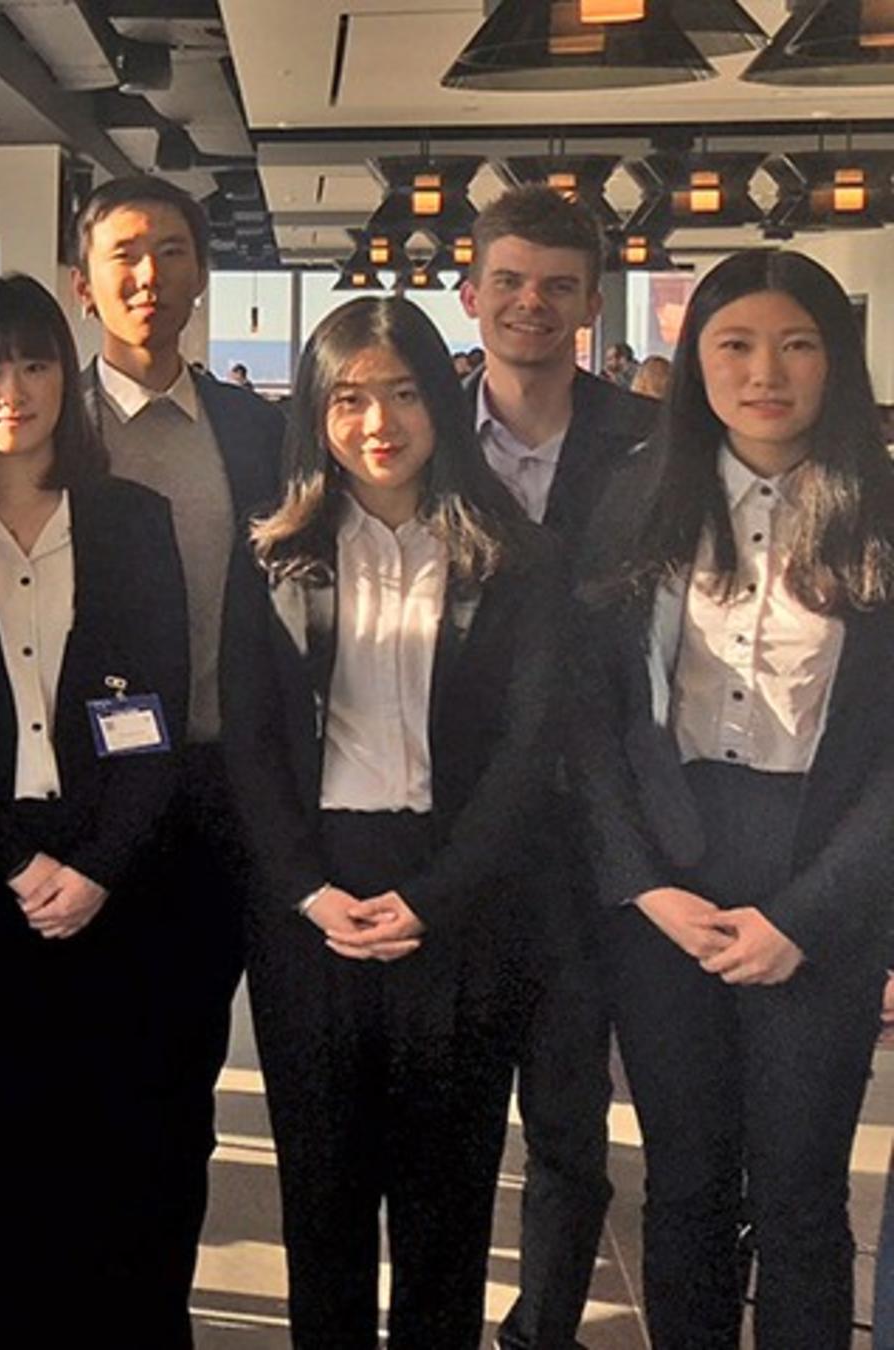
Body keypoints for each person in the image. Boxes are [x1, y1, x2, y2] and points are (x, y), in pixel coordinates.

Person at [223, 294, 561, 1348]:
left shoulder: (510, 555)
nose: (379, 423)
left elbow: (526, 751)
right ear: (316, 413)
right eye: (350, 399)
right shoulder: (271, 553)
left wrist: (436, 895)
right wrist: (306, 889)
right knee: (321, 1205)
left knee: (446, 1212)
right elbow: (250, 737)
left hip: (460, 899)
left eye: (404, 394)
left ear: (442, 404)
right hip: (313, 897)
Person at [575, 247, 894, 1350]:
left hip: (823, 884)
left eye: (797, 344)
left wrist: (811, 916)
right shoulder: (636, 498)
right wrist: (642, 885)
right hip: (671, 882)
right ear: (696, 359)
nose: (767, 372)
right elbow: (593, 717)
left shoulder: (882, 508)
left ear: (836, 359)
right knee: (686, 1184)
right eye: (737, 345)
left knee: (802, 1195)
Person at [0, 275, 189, 1346]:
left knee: (114, 1154)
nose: (12, 391)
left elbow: (155, 715)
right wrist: (13, 864)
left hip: (111, 876)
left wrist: (101, 865)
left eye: (34, 364)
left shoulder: (131, 521)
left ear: (67, 379)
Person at [68, 173, 283, 1344]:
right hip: (78, 804)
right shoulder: (45, 425)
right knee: (77, 1076)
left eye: (171, 251)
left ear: (203, 272)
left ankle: (155, 1317)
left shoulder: (256, 432)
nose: (148, 275)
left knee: (180, 1084)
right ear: (84, 282)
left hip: (214, 789)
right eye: (124, 254)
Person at [455, 183, 657, 1350]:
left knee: (572, 1121)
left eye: (559, 287)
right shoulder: (418, 426)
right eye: (510, 281)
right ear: (471, 292)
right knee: (451, 1111)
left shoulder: (651, 440)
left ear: (590, 304)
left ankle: (544, 1332)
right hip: (452, 819)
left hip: (594, 826)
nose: (531, 304)